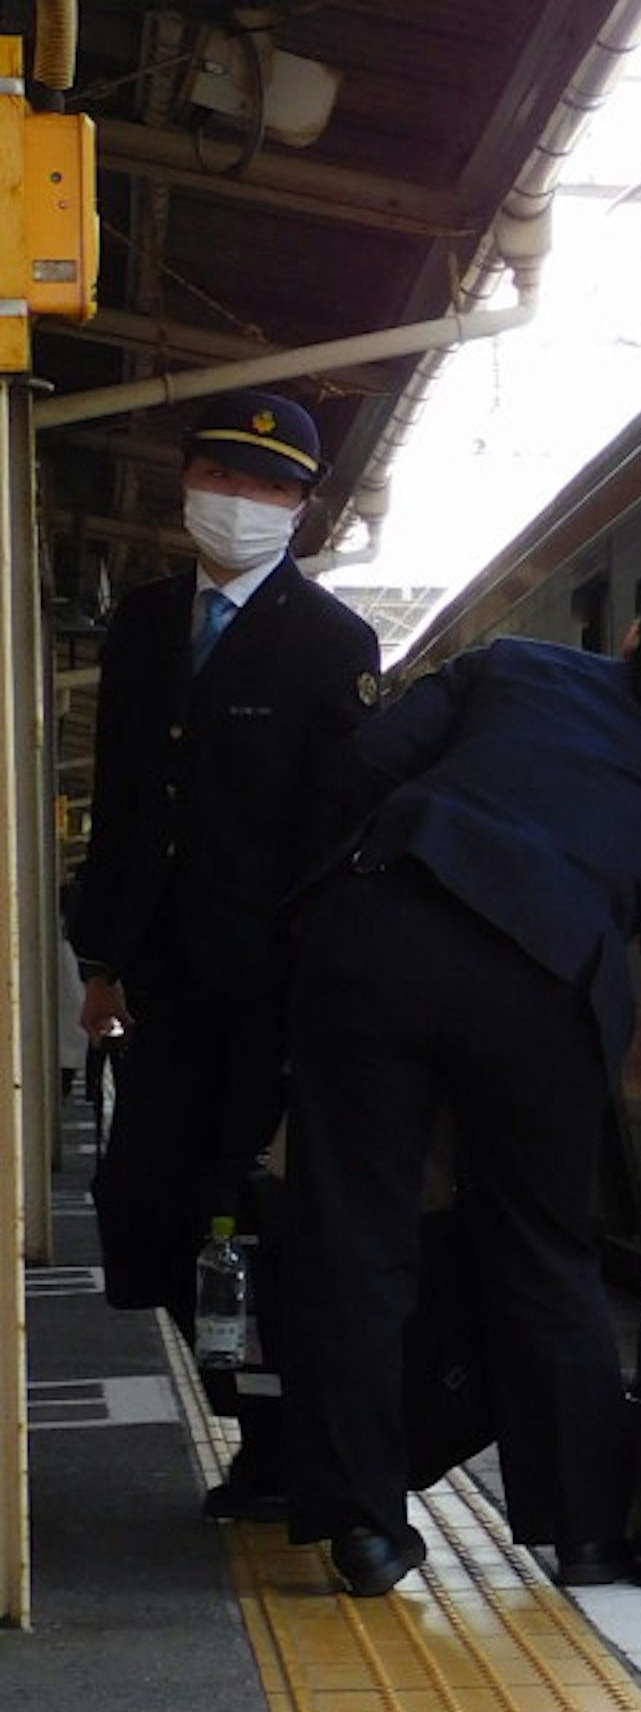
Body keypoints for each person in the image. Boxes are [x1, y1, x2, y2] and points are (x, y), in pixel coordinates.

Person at [283, 564, 641, 1597]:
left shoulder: (508, 669)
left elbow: (358, 771)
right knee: (545, 1253)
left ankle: (363, 1525)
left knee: (355, 1235)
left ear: (635, 633)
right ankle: (587, 1532)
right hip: (546, 997)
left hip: (380, 945)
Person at [65, 394, 379, 1517]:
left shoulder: (333, 644)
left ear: (301, 508)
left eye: (267, 488)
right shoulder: (145, 624)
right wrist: (100, 960)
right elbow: (118, 805)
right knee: (154, 1208)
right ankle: (240, 1403)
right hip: (161, 988)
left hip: (273, 998)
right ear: (185, 482)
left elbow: (338, 836)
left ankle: (276, 1442)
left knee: (249, 1219)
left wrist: (321, 1000)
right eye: (221, 478)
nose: (237, 503)